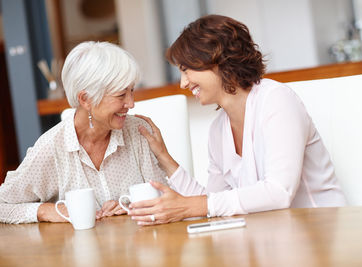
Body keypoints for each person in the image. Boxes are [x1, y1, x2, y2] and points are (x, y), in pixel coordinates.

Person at [129, 15, 346, 225]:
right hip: (274, 242)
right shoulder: (217, 130)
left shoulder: (276, 100)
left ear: (218, 60)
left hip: (323, 234)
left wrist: (193, 206)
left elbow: (279, 191)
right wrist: (164, 158)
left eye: (187, 70)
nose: (183, 83)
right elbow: (213, 202)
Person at [0, 41, 167, 224]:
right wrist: (45, 211)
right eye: (121, 95)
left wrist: (128, 206)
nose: (131, 104)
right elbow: (0, 205)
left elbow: (165, 197)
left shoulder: (138, 132)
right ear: (85, 99)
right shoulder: (51, 147)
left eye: (132, 91)